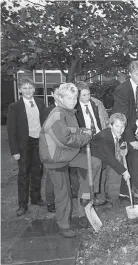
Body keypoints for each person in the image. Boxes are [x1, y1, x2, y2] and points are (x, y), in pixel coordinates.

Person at [39, 83, 103, 238]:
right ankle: (64, 226)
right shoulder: (57, 114)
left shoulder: (69, 112)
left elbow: (70, 130)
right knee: (63, 193)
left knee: (94, 163)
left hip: (68, 154)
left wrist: (82, 131)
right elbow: (65, 139)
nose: (73, 100)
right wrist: (84, 138)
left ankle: (86, 195)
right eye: (69, 97)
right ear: (60, 98)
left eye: (75, 97)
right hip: (55, 158)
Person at [7, 78, 46, 216]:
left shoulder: (40, 103)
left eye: (30, 88)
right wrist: (15, 151)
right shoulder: (14, 107)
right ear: (20, 90)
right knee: (24, 174)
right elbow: (11, 131)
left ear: (34, 89)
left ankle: (36, 198)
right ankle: (22, 204)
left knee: (37, 171)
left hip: (38, 141)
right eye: (24, 88)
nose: (28, 90)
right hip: (24, 144)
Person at [112, 60, 138, 199]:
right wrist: (130, 139)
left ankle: (126, 192)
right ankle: (133, 191)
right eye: (137, 74)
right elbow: (122, 117)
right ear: (130, 74)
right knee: (128, 159)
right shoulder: (122, 90)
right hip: (122, 129)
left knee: (132, 160)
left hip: (135, 129)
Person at [90, 113, 131, 206]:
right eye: (117, 126)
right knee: (99, 180)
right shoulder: (104, 136)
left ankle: (107, 199)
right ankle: (95, 201)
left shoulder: (117, 133)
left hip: (103, 161)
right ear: (110, 125)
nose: (120, 129)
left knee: (107, 176)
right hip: (93, 161)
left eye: (122, 127)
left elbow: (120, 143)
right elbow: (109, 157)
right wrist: (124, 172)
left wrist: (123, 148)